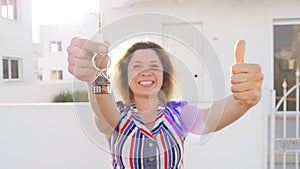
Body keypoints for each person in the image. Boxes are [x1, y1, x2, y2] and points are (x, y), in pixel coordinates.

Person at [67, 38, 263, 168]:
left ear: (164, 74)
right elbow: (102, 110)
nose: (146, 71)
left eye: (154, 66)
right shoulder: (118, 115)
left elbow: (214, 116)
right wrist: (96, 76)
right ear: (126, 76)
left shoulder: (179, 113)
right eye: (137, 66)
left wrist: (245, 100)